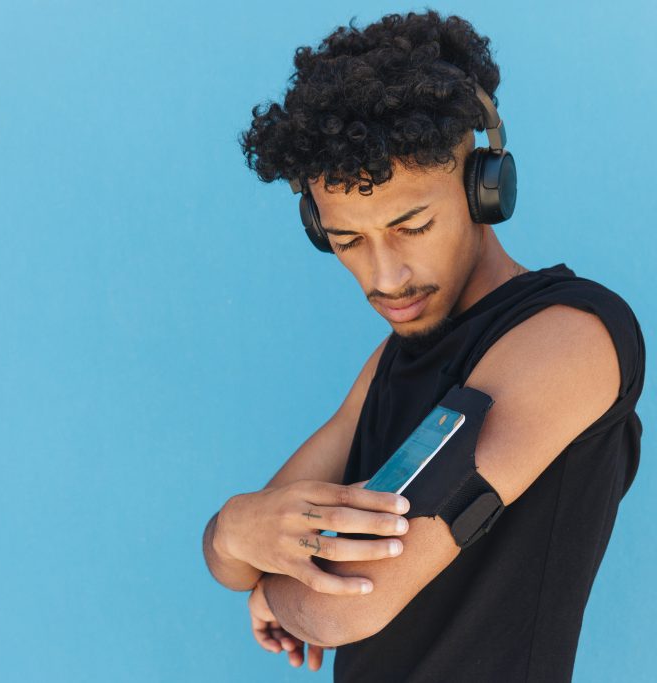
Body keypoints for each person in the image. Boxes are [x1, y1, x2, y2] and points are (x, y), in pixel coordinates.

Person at [200, 10, 645, 682]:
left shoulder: (573, 335)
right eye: (348, 241)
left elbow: (355, 599)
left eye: (412, 225)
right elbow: (240, 553)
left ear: (483, 188)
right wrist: (234, 527)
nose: (385, 277)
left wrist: (270, 591)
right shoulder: (391, 361)